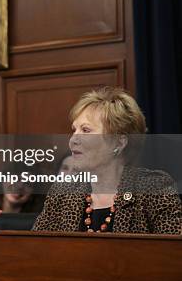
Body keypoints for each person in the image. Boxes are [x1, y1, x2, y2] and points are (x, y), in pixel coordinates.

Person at [33, 87, 182, 234]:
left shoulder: (153, 189)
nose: (73, 139)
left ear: (119, 142)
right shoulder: (62, 193)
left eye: (86, 130)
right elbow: (33, 251)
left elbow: (174, 253)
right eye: (74, 130)